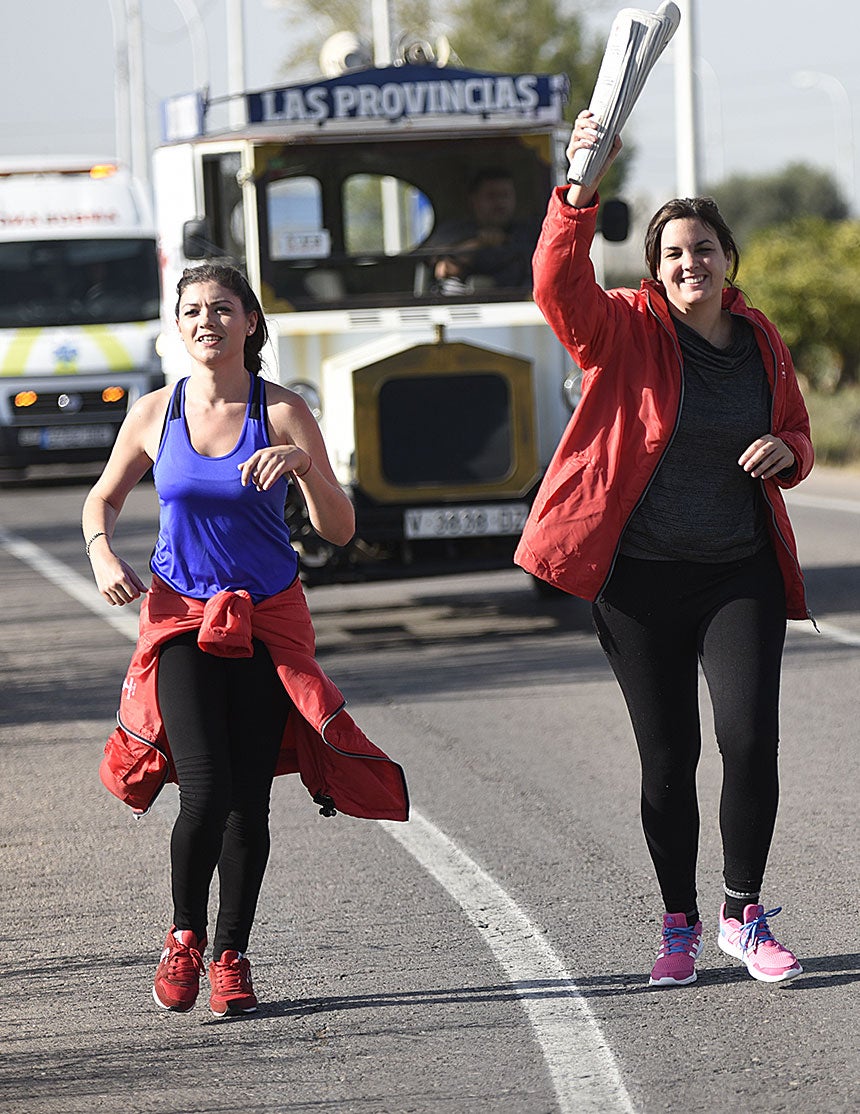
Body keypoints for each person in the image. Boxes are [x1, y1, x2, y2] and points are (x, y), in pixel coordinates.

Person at [515, 111, 813, 987]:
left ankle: (743, 915)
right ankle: (678, 921)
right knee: (669, 756)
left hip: (736, 570)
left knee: (751, 738)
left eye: (706, 249)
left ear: (730, 260)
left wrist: (789, 451)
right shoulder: (620, 330)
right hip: (639, 580)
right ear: (655, 269)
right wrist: (577, 188)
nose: (693, 264)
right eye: (675, 253)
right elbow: (554, 284)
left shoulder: (760, 341)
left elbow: (794, 429)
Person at [82, 262, 408, 1017]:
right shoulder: (154, 413)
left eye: (223, 309)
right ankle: (183, 938)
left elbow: (341, 528)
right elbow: (102, 497)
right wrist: (102, 550)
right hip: (182, 622)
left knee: (248, 804)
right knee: (202, 789)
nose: (207, 322)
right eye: (193, 310)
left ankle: (232, 955)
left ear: (251, 323)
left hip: (266, 623)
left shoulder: (284, 410)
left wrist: (304, 471)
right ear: (178, 325)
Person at [423, 168, 537, 293]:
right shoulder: (451, 233)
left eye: (505, 195)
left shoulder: (529, 233)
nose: (499, 202)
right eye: (491, 196)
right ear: (474, 199)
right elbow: (441, 265)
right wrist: (479, 243)